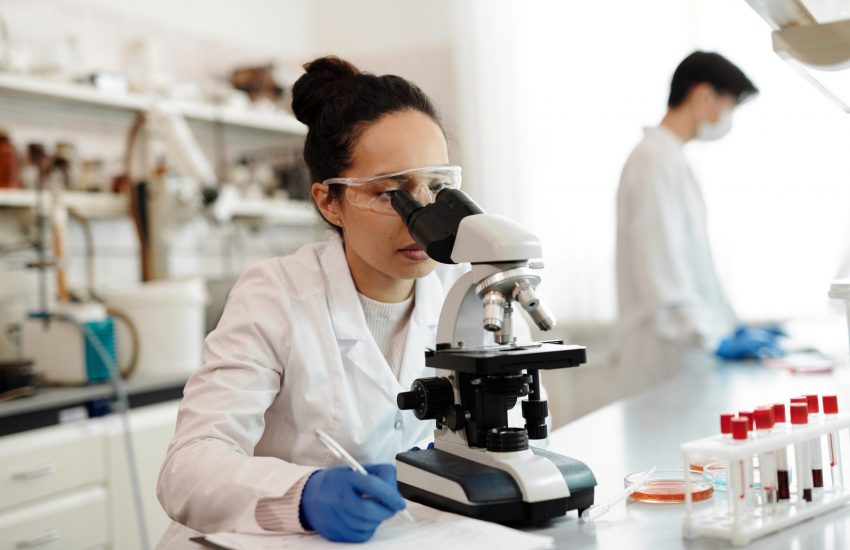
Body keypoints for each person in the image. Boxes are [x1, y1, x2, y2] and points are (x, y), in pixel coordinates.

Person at [156, 56, 531, 547]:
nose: (421, 215)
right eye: (388, 192)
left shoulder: (470, 294)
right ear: (329, 202)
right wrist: (303, 494)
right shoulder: (275, 294)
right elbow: (186, 468)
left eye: (437, 187)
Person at [614, 51, 781, 393]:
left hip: (682, 353)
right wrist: (708, 336)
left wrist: (729, 326)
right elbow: (661, 272)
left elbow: (696, 270)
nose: (727, 118)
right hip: (663, 359)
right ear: (703, 95)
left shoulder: (670, 158)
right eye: (729, 105)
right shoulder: (653, 161)